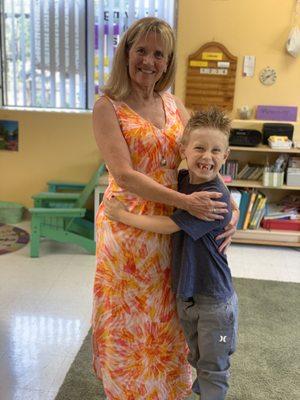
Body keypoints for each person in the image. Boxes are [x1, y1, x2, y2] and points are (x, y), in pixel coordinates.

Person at [92, 16, 238, 399]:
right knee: (128, 320)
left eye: (159, 54)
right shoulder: (107, 106)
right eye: (142, 50)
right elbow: (123, 175)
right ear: (126, 53)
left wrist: (230, 206)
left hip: (172, 233)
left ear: (167, 61)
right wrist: (185, 202)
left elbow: (201, 156)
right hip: (128, 230)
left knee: (167, 317)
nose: (149, 61)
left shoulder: (173, 104)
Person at [104, 108, 238, 400]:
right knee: (197, 359)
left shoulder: (213, 200)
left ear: (226, 157)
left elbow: (168, 226)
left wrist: (122, 216)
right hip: (189, 297)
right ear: (184, 151)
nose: (207, 156)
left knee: (213, 367)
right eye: (199, 148)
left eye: (216, 151)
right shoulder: (185, 181)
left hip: (215, 302)